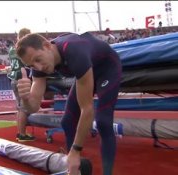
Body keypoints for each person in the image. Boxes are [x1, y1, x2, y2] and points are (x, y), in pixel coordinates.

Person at [15, 32, 122, 175]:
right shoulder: (38, 66)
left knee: (103, 121)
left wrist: (76, 150)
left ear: (47, 46)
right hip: (84, 72)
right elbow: (33, 107)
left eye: (38, 60)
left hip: (107, 69)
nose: (38, 67)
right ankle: (74, 170)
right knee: (67, 122)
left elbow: (87, 110)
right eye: (31, 65)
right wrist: (25, 98)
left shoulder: (73, 50)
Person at [7, 28, 35, 142]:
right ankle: (22, 134)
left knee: (19, 108)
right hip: (21, 78)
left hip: (14, 78)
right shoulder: (22, 48)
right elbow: (27, 62)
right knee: (23, 108)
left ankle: (20, 133)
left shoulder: (11, 49)